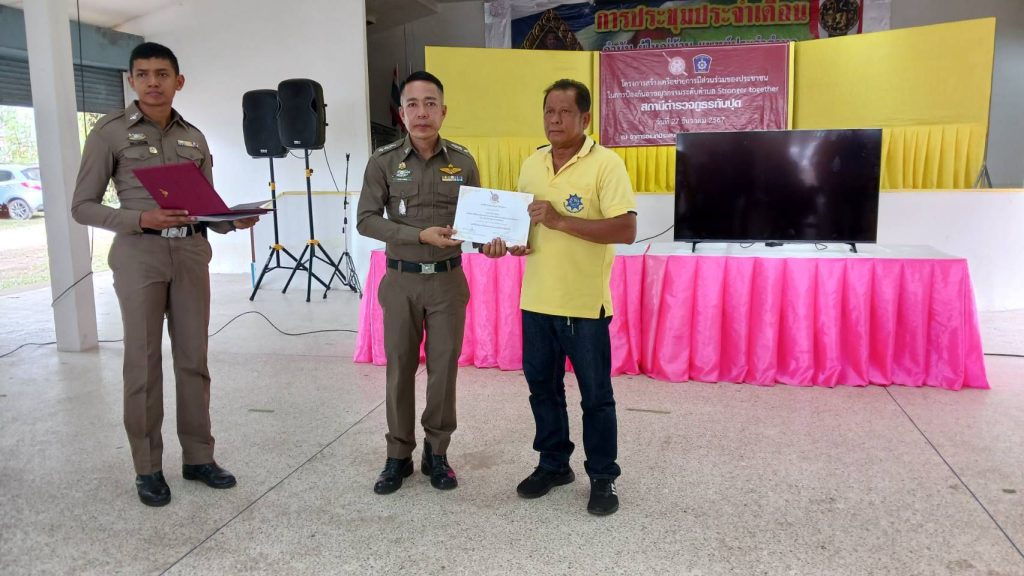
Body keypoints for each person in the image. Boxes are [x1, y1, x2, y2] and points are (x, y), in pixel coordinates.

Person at [71, 42, 258, 507]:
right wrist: (140, 219)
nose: (153, 82)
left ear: (179, 81)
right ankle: (148, 467)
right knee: (143, 362)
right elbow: (82, 206)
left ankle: (199, 457)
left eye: (162, 74)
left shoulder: (194, 137)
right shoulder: (109, 133)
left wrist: (231, 220)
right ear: (131, 80)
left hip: (191, 254)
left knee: (194, 359)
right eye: (143, 74)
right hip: (140, 255)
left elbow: (204, 204)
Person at [486, 79, 637, 515]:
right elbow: (528, 231)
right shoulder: (531, 164)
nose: (555, 119)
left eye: (565, 112)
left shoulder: (606, 164)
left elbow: (626, 229)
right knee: (542, 390)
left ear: (585, 118)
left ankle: (603, 476)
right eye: (549, 111)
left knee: (596, 397)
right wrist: (513, 244)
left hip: (584, 305)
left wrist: (560, 221)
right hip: (535, 301)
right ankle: (553, 465)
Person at [357, 71, 500, 495]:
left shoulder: (463, 162)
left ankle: (437, 452)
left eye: (430, 103)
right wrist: (417, 235)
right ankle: (398, 454)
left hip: (447, 282)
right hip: (400, 280)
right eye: (413, 104)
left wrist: (495, 243)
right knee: (399, 368)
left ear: (444, 111)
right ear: (401, 113)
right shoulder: (383, 162)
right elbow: (366, 220)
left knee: (443, 371)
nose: (422, 112)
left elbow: (478, 223)